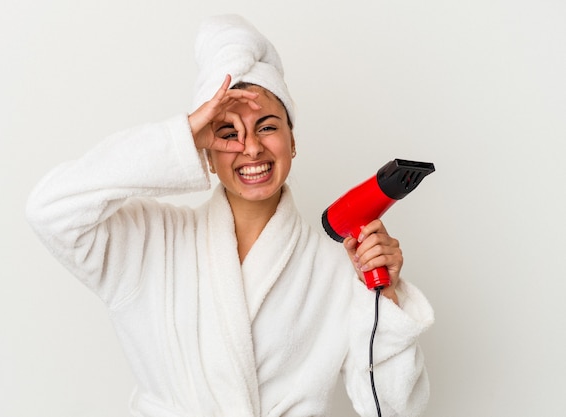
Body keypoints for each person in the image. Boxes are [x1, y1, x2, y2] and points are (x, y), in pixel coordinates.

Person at [26, 14, 433, 417]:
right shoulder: (148, 241)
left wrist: (385, 298)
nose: (251, 147)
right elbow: (49, 210)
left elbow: (395, 410)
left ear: (292, 141)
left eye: (267, 126)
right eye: (227, 132)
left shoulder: (339, 269)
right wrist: (182, 134)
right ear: (204, 149)